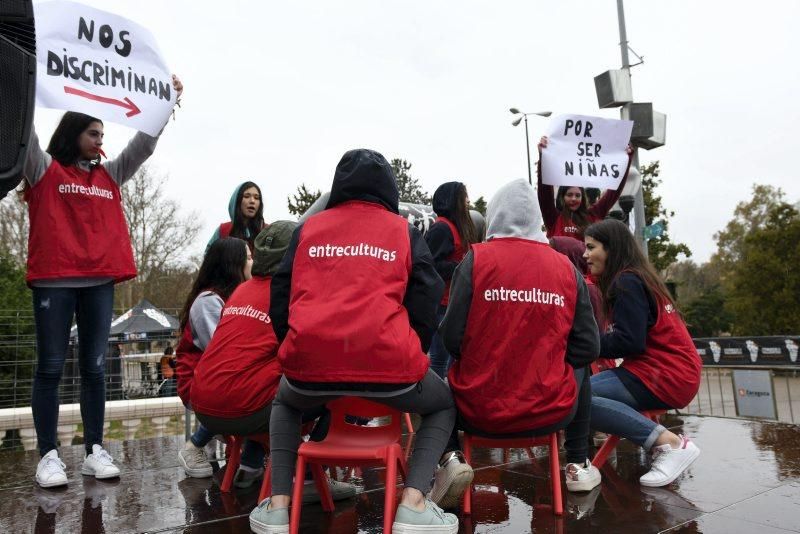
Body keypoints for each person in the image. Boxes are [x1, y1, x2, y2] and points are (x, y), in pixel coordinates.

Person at [250, 149, 458, 534]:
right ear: (388, 189)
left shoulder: (308, 229)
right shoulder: (403, 231)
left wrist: (295, 345)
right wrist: (410, 343)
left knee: (284, 402)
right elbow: (428, 295)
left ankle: (279, 506)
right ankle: (413, 502)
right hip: (391, 368)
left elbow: (280, 293)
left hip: (309, 371)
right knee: (444, 404)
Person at [22, 76, 183, 488]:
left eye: (102, 134)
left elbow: (143, 145)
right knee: (51, 368)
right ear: (73, 133)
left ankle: (95, 450)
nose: (100, 140)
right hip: (54, 282)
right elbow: (25, 131)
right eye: (93, 133)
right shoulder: (42, 167)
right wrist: (13, 76)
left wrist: (166, 103)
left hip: (98, 283)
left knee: (95, 368)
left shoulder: (110, 175)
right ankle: (48, 457)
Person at [430, 179, 601, 508]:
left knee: (436, 380)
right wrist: (550, 361)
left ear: (494, 216)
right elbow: (589, 347)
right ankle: (577, 463)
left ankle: (450, 459)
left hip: (476, 411)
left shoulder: (476, 260)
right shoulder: (566, 268)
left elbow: (450, 337)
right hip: (551, 410)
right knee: (582, 367)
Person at [190, 223, 355, 499]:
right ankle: (311, 480)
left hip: (205, 408)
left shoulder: (241, 291)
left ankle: (249, 466)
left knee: (267, 381)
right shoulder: (294, 295)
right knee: (332, 389)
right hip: (246, 410)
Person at [583, 219, 702, 487]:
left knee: (573, 399)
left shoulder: (627, 281)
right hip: (664, 371)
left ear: (611, 248)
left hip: (666, 374)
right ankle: (662, 442)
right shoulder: (636, 277)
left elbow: (629, 341)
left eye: (591, 247)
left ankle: (669, 444)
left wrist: (584, 344)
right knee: (575, 393)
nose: (585, 254)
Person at [176, 237, 252, 478]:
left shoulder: (238, 298)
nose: (254, 262)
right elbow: (220, 352)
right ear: (233, 264)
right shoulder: (208, 302)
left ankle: (252, 458)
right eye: (249, 258)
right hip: (199, 382)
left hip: (219, 375)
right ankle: (193, 446)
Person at [425, 181, 479, 379]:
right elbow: (431, 266)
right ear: (454, 200)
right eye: (464, 197)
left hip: (455, 303)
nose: (468, 201)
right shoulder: (441, 228)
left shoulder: (458, 228)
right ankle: (435, 403)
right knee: (439, 358)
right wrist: (462, 266)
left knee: (453, 357)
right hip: (442, 305)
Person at [536, 136, 634, 240]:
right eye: (569, 195)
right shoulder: (553, 218)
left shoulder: (594, 215)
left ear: (583, 198)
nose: (574, 198)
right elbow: (544, 194)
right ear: (562, 197)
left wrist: (626, 160)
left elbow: (614, 190)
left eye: (578, 195)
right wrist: (543, 156)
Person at [206, 181, 266, 251]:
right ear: (237, 200)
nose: (252, 201)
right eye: (246, 196)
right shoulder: (223, 230)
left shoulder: (268, 231)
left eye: (256, 198)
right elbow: (209, 257)